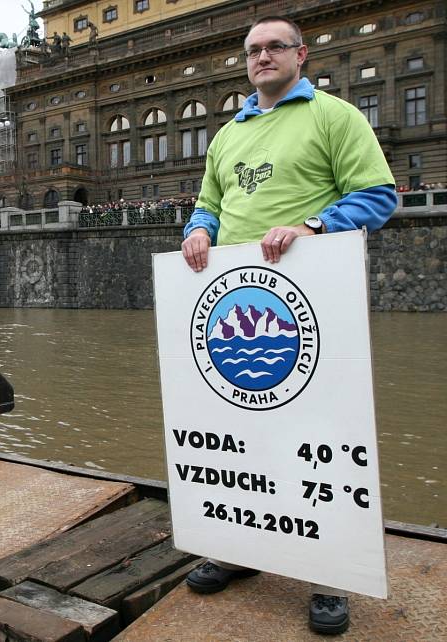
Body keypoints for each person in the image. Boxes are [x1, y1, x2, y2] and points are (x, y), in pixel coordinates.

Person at [180, 16, 396, 636]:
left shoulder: (333, 116)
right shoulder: (228, 134)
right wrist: (199, 230)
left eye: (276, 46)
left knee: (320, 431)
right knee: (237, 427)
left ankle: (329, 574)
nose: (263, 56)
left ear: (301, 54)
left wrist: (314, 226)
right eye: (253, 50)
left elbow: (378, 195)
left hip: (311, 301)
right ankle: (240, 547)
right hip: (233, 307)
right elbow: (211, 204)